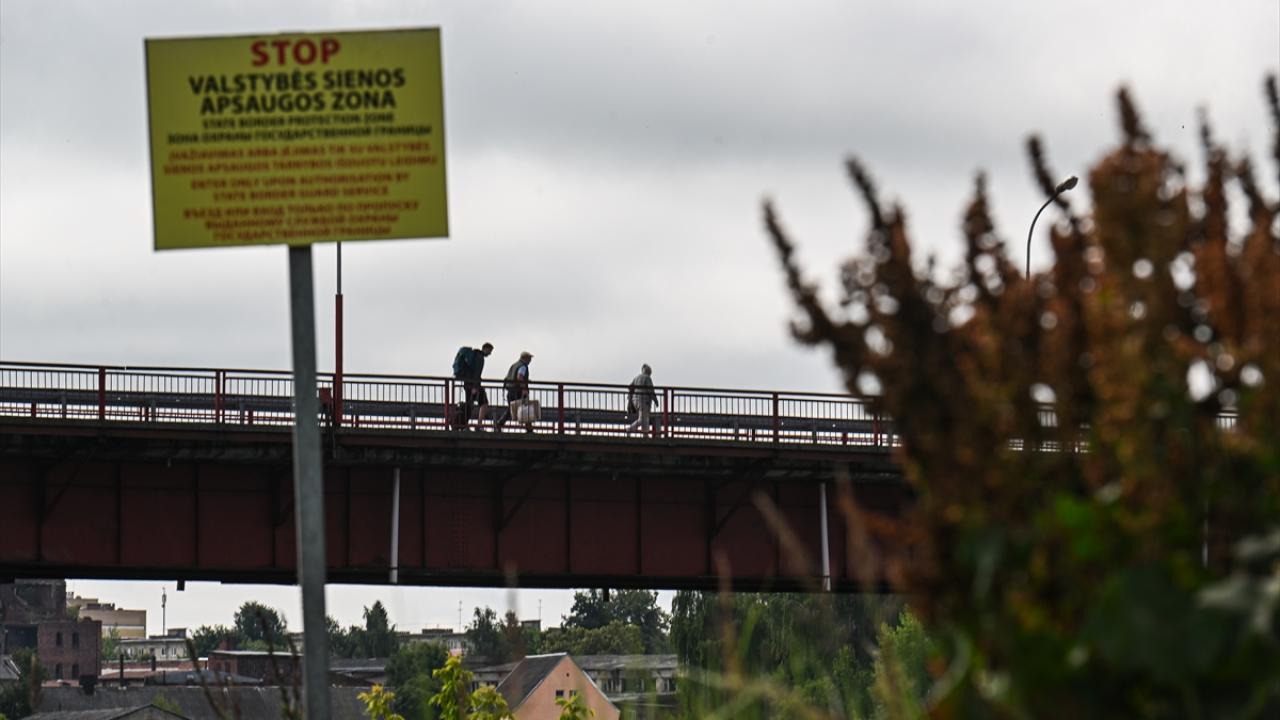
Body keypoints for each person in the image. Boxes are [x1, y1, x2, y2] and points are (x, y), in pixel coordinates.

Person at [452, 342, 493, 430]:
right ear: (485, 348)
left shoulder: (474, 355)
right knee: (484, 404)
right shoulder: (479, 357)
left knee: (469, 405)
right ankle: (479, 426)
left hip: (467, 383)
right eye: (489, 351)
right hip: (473, 385)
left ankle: (462, 425)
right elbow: (476, 373)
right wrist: (475, 386)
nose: (490, 354)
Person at [494, 351, 534, 433]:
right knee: (525, 409)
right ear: (525, 358)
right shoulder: (523, 366)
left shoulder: (515, 365)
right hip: (518, 391)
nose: (530, 360)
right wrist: (524, 388)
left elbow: (514, 376)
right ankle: (529, 429)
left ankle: (499, 424)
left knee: (512, 409)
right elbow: (519, 377)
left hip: (511, 390)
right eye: (529, 358)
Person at [627, 364, 659, 437]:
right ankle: (630, 429)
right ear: (649, 372)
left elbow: (630, 387)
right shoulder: (647, 378)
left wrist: (630, 400)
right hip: (644, 400)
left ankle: (645, 435)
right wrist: (655, 400)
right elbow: (651, 390)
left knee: (645, 418)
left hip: (635, 400)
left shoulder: (637, 377)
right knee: (642, 419)